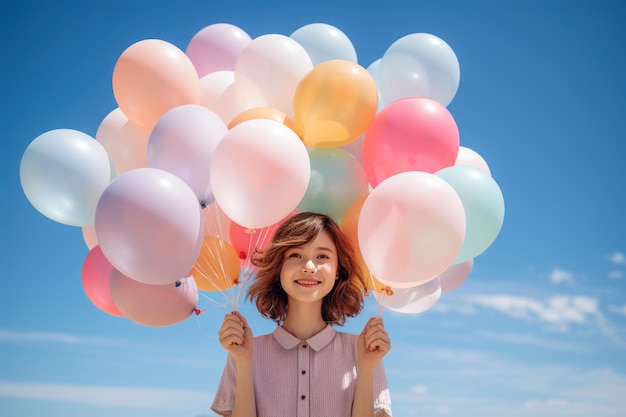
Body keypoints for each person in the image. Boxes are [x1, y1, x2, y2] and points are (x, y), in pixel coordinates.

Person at [211, 211, 392, 417]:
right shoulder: (245, 350)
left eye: (322, 256)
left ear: (338, 271)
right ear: (279, 267)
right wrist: (243, 361)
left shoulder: (365, 351)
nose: (308, 267)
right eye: (295, 255)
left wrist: (366, 367)